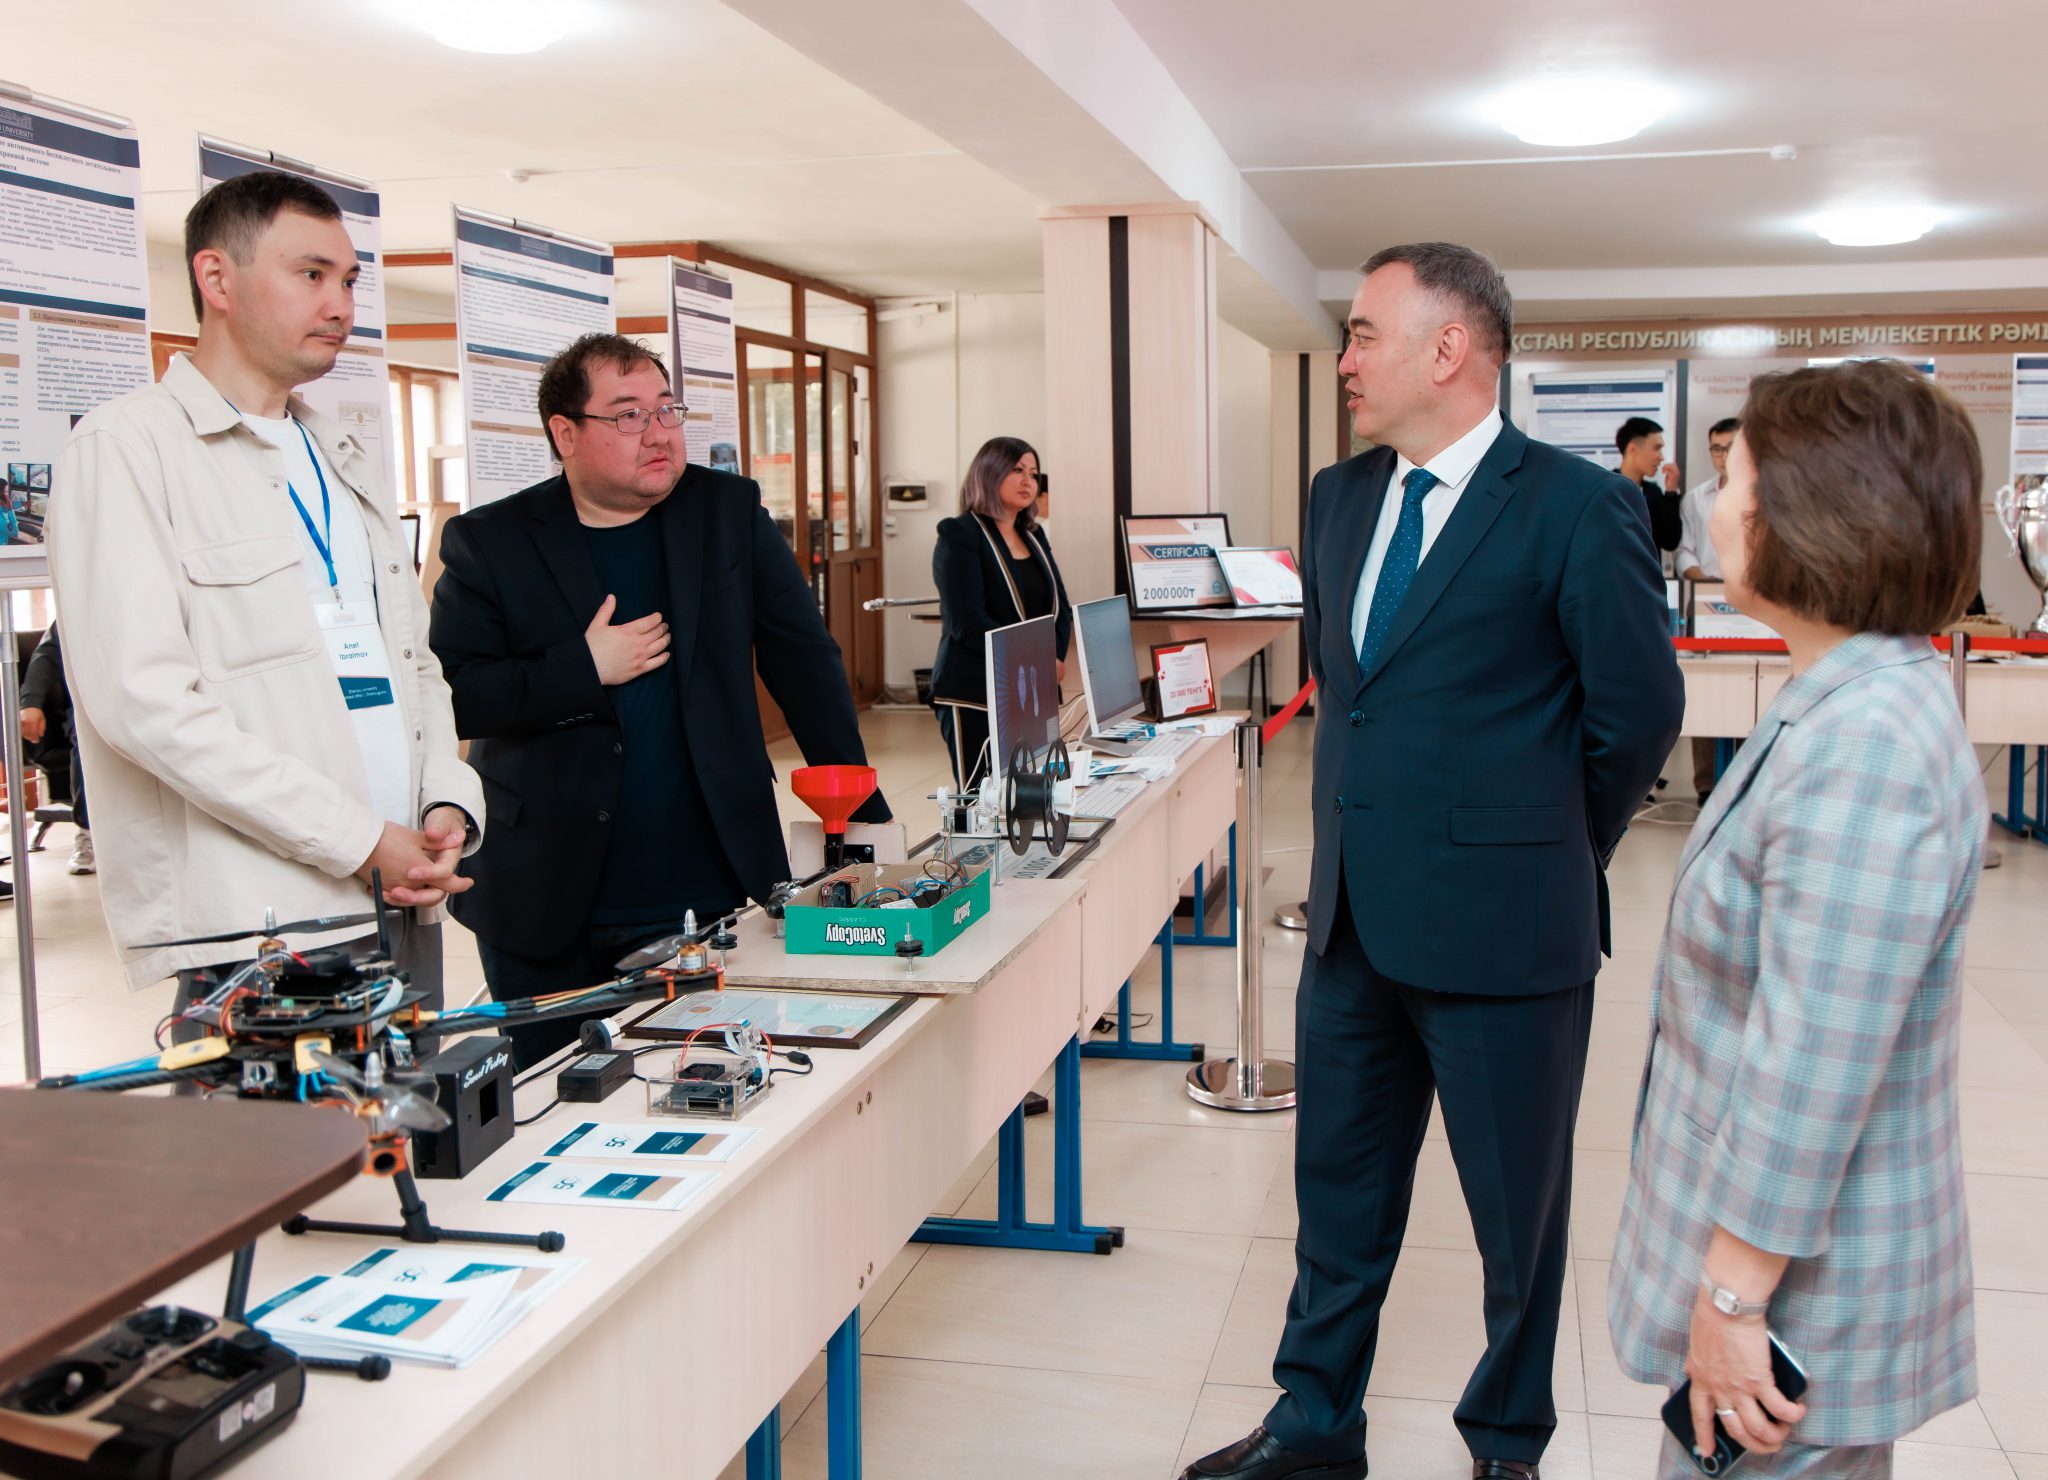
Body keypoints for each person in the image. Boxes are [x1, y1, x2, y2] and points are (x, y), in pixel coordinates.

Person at [1184, 243, 1682, 1480]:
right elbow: (1354, 696)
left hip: (1506, 931)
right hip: (1351, 926)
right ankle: (1313, 1423)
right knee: (1335, 1198)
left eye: (1362, 334)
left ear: (1447, 348)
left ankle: (1505, 1444)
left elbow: (1635, 714)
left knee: (1516, 1222)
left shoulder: (1574, 505)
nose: (1343, 360)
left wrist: (1549, 848)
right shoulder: (1337, 496)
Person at [1609, 360, 1988, 1479]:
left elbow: (1813, 1060)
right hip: (1787, 1276)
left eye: (1737, 480)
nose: (1718, 505)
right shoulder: (1853, 693)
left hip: (1789, 1310)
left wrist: (1731, 1301)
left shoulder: (1863, 741)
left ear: (1815, 513)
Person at [47, 169, 481, 1007]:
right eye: (311, 274)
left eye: (348, 281)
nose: (340, 305)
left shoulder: (339, 456)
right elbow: (144, 704)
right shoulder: (127, 449)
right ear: (217, 279)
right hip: (262, 925)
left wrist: (447, 802)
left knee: (415, 1098)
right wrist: (357, 839)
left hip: (401, 892)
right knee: (287, 1102)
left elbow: (414, 664)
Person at [429, 332, 888, 1069]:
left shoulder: (725, 511)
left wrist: (863, 810)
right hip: (547, 889)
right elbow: (459, 694)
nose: (659, 433)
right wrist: (584, 666)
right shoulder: (491, 541)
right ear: (565, 434)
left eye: (666, 409)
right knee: (556, 1094)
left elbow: (802, 658)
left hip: (707, 875)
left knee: (715, 1078)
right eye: (628, 415)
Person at [928, 436, 1072, 789]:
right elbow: (967, 623)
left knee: (1033, 795)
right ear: (990, 472)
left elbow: (1060, 609)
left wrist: (1051, 657)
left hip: (1032, 691)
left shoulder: (1033, 535)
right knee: (982, 797)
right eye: (1017, 470)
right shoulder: (960, 533)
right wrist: (1035, 662)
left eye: (1033, 474)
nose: (1028, 481)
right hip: (976, 689)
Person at [1679, 417, 1741, 803]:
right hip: (1706, 600)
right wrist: (1703, 579)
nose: (1722, 456)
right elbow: (1685, 549)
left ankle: (1743, 781)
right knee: (1709, 688)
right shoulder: (1697, 498)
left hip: (1751, 605)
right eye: (1716, 448)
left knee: (1748, 688)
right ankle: (1706, 785)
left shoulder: (1770, 495)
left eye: (1730, 447)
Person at [19, 622, 92, 874]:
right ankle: (88, 832)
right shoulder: (77, 608)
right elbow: (46, 655)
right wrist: (30, 702)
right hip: (91, 707)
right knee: (88, 736)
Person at [1617, 415, 1684, 559]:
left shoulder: (1653, 492)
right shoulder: (1605, 490)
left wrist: (1671, 492)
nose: (1661, 457)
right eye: (1656, 448)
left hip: (1648, 572)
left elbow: (1670, 542)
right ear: (1633, 449)